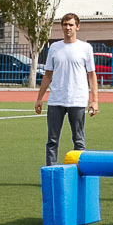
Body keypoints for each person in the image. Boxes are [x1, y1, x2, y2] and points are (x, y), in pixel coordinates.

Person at [36, 12, 98, 166]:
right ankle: (51, 173)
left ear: (77, 27)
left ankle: (79, 174)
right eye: (65, 24)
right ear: (61, 27)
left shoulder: (85, 48)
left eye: (71, 25)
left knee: (78, 140)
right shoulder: (55, 48)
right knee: (52, 140)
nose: (68, 27)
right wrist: (39, 98)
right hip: (56, 99)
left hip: (77, 100)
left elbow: (91, 75)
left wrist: (95, 100)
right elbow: (48, 75)